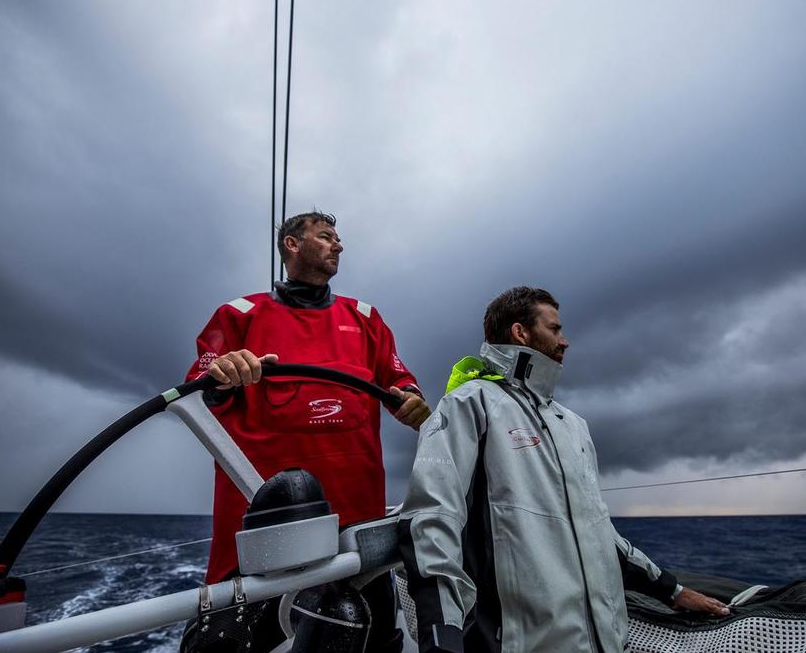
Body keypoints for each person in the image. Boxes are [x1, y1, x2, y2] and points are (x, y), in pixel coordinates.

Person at [398, 286, 728, 653]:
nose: (566, 341)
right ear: (520, 332)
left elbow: (600, 535)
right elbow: (430, 520)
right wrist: (442, 638)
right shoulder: (468, 404)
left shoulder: (572, 425)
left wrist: (673, 591)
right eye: (555, 329)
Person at [186, 211, 430, 652]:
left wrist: (411, 400)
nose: (338, 245)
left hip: (357, 539)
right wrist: (223, 373)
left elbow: (399, 380)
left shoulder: (366, 318)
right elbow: (200, 394)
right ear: (292, 245)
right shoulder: (238, 315)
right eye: (326, 237)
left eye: (338, 239)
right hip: (262, 543)